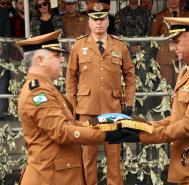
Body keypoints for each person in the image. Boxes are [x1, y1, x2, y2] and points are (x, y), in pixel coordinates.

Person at [109, 17, 189, 185]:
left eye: (177, 42)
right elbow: (177, 118)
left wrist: (140, 136)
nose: (173, 47)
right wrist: (141, 127)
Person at [16, 30, 122, 185]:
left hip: (58, 175)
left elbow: (69, 124)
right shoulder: (37, 92)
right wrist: (107, 135)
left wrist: (102, 126)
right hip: (49, 177)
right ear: (40, 60)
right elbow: (62, 131)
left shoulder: (46, 87)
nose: (62, 60)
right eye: (56, 56)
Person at [66, 3, 136, 185]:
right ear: (89, 22)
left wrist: (129, 103)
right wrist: (71, 109)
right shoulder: (79, 45)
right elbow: (71, 78)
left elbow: (130, 75)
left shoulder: (120, 46)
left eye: (102, 19)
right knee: (88, 157)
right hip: (87, 109)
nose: (98, 23)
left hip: (112, 109)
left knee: (114, 158)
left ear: (107, 21)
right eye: (95, 19)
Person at [151, 0, 189, 87]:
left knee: (183, 85)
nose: (173, 1)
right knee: (166, 87)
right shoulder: (159, 16)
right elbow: (153, 37)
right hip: (165, 58)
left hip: (183, 57)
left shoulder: (188, 16)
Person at [0, 6, 11, 120]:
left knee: (3, 81)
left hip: (2, 51)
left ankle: (3, 112)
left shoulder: (3, 12)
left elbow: (7, 31)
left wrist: (2, 47)